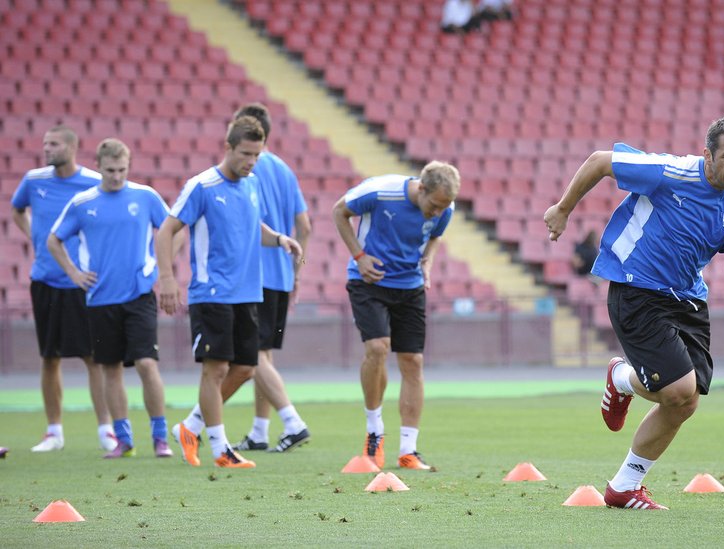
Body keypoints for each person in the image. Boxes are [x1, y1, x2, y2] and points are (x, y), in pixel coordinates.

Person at [543, 117, 724, 510]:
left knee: (686, 401)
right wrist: (563, 209)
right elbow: (599, 161)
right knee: (678, 389)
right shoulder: (670, 172)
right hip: (635, 287)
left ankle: (624, 486)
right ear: (708, 155)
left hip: (688, 297)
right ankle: (623, 379)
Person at [156, 116, 302, 468]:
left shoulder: (252, 185)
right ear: (229, 148)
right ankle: (221, 449)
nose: (251, 162)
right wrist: (168, 278)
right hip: (213, 292)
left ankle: (191, 427)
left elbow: (256, 228)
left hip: (248, 293)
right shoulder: (202, 186)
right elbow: (166, 231)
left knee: (246, 368)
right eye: (246, 154)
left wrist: (280, 238)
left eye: (257, 155)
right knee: (217, 368)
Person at [47, 138, 174, 459]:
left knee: (146, 363)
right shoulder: (82, 203)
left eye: (122, 170)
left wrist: (160, 266)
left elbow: (175, 229)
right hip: (100, 299)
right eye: (110, 170)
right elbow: (53, 240)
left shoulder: (145, 197)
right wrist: (75, 274)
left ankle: (160, 437)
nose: (117, 176)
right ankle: (124, 439)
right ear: (99, 166)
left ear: (128, 167)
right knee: (111, 369)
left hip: (139, 295)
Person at [332, 161, 459, 471]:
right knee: (377, 348)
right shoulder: (380, 192)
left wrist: (427, 262)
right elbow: (339, 211)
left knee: (413, 362)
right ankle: (374, 431)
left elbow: (434, 238)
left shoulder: (446, 208)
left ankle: (408, 450)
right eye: (434, 204)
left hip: (410, 286)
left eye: (444, 207)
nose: (437, 212)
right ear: (421, 189)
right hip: (369, 282)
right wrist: (359, 257)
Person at [10, 125, 116, 453]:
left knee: (92, 357)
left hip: (81, 282)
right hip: (44, 280)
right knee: (49, 357)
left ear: (72, 147)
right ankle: (54, 432)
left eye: (53, 143)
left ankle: (106, 430)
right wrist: (36, 239)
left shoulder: (91, 183)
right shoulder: (34, 181)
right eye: (45, 143)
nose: (47, 148)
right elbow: (17, 210)